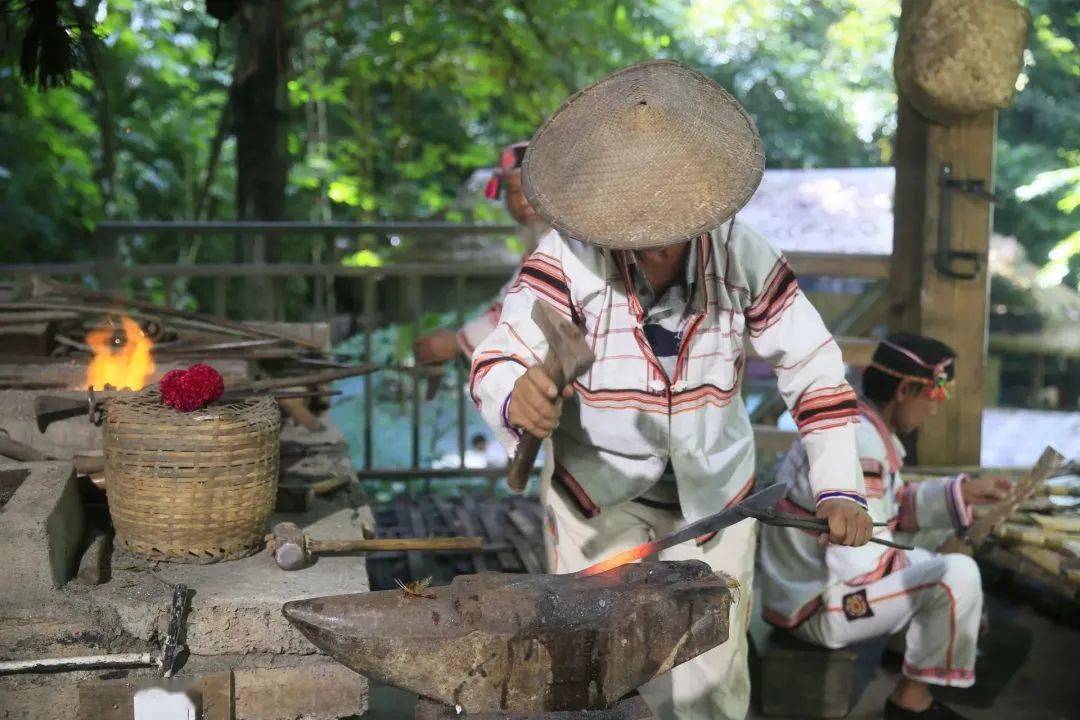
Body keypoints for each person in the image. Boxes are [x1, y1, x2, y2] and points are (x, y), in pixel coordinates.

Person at [469, 60, 872, 720]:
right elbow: (500, 353)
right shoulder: (566, 256)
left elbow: (815, 370)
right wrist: (515, 395)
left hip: (716, 504)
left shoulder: (746, 257)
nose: (649, 249)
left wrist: (840, 487)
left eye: (666, 233)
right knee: (595, 673)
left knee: (708, 683)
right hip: (596, 504)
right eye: (633, 231)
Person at [758, 333, 1011, 720]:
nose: (934, 410)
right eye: (934, 395)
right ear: (907, 389)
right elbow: (860, 563)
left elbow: (889, 508)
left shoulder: (859, 424)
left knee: (943, 533)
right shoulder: (862, 446)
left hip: (808, 586)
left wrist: (964, 492)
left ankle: (905, 648)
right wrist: (944, 579)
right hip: (817, 606)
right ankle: (911, 701)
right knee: (956, 575)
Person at [414, 141, 551, 364]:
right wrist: (459, 339)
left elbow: (526, 313)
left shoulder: (562, 243)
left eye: (531, 190)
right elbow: (511, 301)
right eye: (514, 191)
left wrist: (458, 342)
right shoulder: (539, 243)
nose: (523, 202)